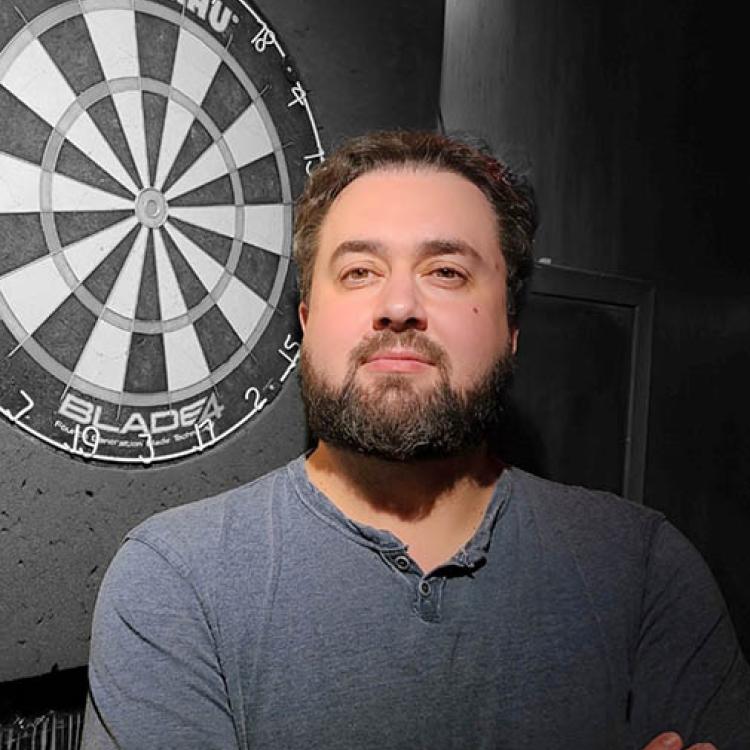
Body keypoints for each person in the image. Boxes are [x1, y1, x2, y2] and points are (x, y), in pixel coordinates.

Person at [82, 131, 750, 749]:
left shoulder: (644, 571)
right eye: (359, 271)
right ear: (307, 323)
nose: (399, 306)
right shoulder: (175, 582)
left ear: (511, 331)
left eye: (447, 272)